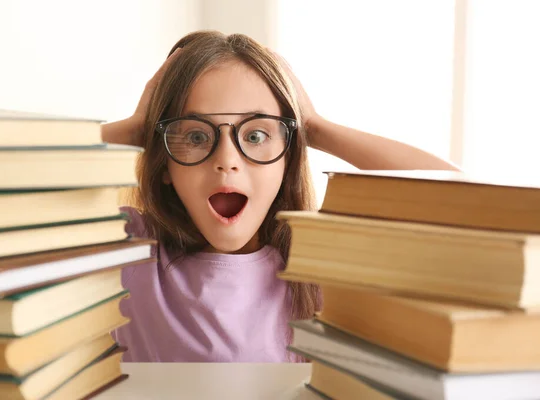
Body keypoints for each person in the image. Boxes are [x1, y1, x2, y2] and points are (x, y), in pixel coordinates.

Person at [105, 30, 458, 363]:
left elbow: (470, 201)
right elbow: (47, 178)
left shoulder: (323, 265)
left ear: (288, 157)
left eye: (256, 136)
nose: (227, 161)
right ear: (163, 162)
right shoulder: (131, 254)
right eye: (196, 137)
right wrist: (137, 129)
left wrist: (317, 127)